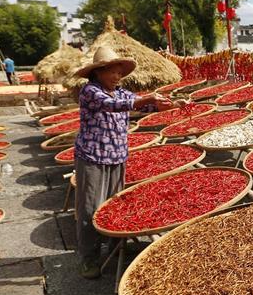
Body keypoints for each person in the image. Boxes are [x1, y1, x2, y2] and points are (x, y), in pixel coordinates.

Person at [72, 46, 178, 279]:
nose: (117, 77)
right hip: (93, 156)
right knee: (90, 207)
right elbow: (112, 106)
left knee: (113, 204)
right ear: (98, 72)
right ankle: (88, 258)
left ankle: (114, 246)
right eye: (112, 72)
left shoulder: (121, 92)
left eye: (119, 72)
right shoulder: (90, 91)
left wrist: (160, 105)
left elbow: (139, 105)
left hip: (118, 156)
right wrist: (145, 99)